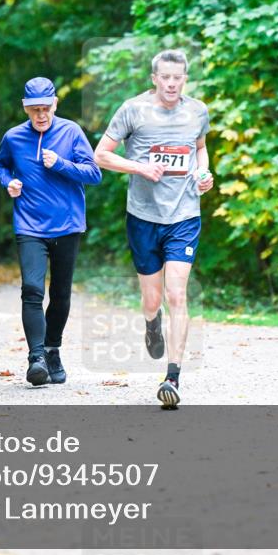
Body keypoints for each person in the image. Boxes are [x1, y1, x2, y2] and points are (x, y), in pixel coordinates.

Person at [93, 49, 214, 409]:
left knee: (178, 295)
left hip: (184, 216)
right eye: (166, 77)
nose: (172, 83)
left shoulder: (198, 111)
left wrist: (203, 174)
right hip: (143, 216)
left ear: (185, 79)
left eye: (178, 77)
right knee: (153, 299)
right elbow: (101, 155)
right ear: (154, 78)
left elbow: (201, 149)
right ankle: (151, 323)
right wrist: (139, 168)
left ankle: (172, 377)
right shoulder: (133, 110)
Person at [0, 77, 101, 386]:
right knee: (31, 289)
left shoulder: (71, 132)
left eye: (45, 108)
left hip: (67, 225)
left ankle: (53, 349)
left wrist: (61, 164)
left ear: (55, 104)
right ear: (25, 109)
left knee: (61, 293)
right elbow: (0, 165)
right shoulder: (13, 138)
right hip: (29, 225)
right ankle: (36, 358)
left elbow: (94, 174)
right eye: (34, 110)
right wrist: (8, 182)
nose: (41, 115)